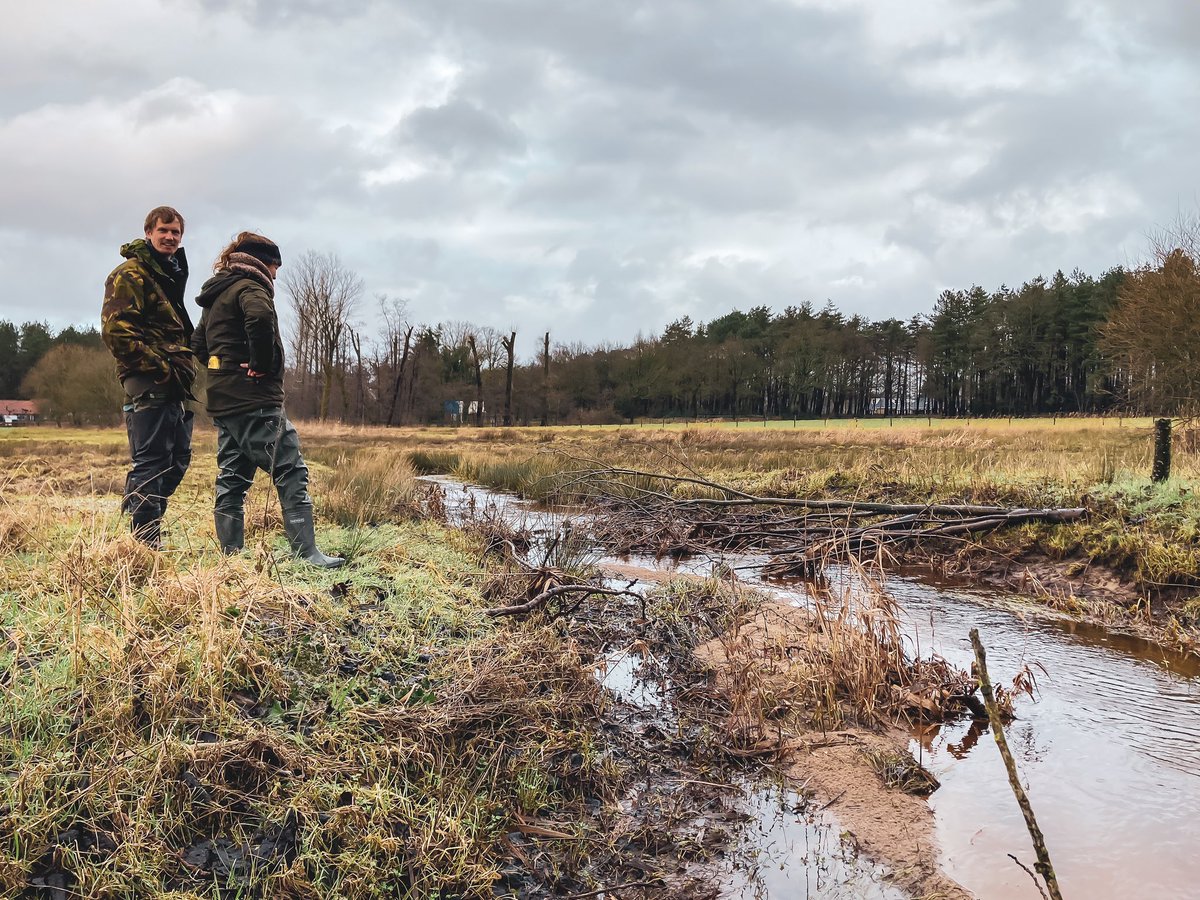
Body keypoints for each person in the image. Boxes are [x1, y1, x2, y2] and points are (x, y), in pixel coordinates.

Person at [191, 232, 344, 568]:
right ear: (263, 261)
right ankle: (307, 555)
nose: (276, 274)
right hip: (255, 400)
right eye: (276, 266)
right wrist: (259, 366)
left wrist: (225, 371)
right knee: (290, 469)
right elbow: (259, 318)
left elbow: (199, 345)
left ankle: (232, 557)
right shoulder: (250, 286)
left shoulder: (217, 293)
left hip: (225, 401)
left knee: (232, 476)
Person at [102, 206, 196, 547]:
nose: (170, 237)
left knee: (178, 457)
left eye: (176, 233)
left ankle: (145, 516)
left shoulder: (166, 275)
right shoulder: (130, 274)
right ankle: (144, 540)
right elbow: (117, 333)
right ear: (148, 233)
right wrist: (160, 367)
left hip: (174, 381)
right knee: (152, 460)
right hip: (150, 378)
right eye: (164, 231)